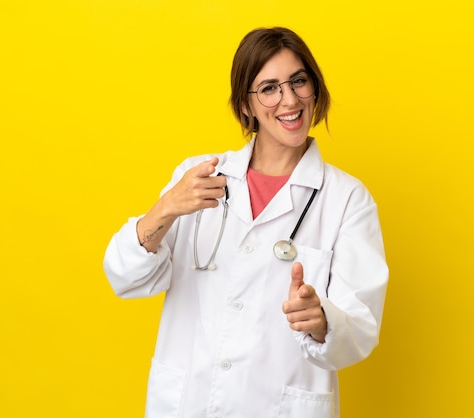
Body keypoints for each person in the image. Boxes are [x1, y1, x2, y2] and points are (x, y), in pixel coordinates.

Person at [103, 27, 388, 418]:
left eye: (298, 81)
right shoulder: (198, 177)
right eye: (269, 88)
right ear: (245, 106)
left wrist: (322, 321)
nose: (289, 99)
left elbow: (359, 329)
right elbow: (124, 277)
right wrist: (165, 208)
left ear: (314, 88)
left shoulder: (347, 199)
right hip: (188, 402)